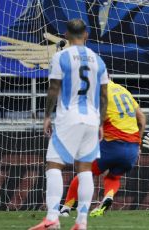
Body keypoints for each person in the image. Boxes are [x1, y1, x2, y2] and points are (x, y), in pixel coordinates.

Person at [29, 19, 109, 230]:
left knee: (54, 165)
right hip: (92, 120)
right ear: (87, 35)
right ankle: (81, 222)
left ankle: (52, 218)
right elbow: (103, 95)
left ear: (65, 35)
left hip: (69, 118)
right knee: (85, 170)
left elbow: (54, 88)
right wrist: (101, 123)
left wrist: (47, 116)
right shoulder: (98, 60)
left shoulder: (60, 57)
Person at [59, 80, 146, 217]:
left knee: (84, 172)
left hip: (112, 144)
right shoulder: (123, 90)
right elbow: (141, 118)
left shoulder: (97, 92)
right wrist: (138, 144)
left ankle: (66, 209)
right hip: (132, 149)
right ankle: (108, 197)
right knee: (113, 176)